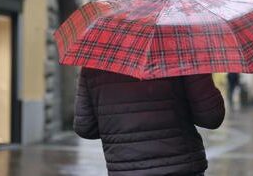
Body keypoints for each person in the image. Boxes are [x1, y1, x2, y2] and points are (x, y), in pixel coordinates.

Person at [74, 68, 225, 176]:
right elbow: (211, 118)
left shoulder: (94, 64)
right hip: (181, 166)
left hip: (124, 168)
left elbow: (85, 127)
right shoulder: (181, 51)